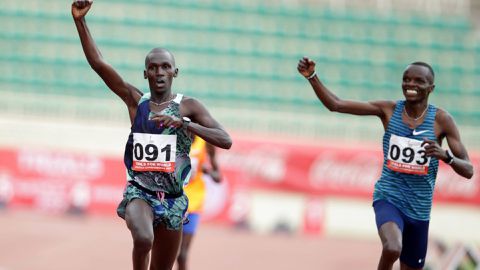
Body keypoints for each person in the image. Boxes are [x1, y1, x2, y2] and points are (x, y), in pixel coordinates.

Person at [71, 1, 232, 270]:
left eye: (165, 67)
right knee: (144, 238)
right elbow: (99, 64)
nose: (159, 72)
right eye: (154, 67)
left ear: (174, 72)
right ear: (145, 73)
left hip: (173, 199)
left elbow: (225, 139)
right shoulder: (136, 101)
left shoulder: (189, 106)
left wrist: (185, 124)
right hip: (140, 192)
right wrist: (80, 21)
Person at [297, 57, 473, 270]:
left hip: (419, 210)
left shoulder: (442, 120)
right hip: (389, 197)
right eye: (406, 79)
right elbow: (337, 104)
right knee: (392, 247)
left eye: (418, 81)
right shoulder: (389, 110)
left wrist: (446, 156)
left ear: (431, 88)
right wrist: (312, 77)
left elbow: (468, 170)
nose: (411, 85)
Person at [176, 136, 222, 270]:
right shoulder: (174, 138)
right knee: (166, 251)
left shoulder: (205, 143)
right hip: (173, 199)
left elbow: (218, 176)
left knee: (182, 255)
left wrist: (207, 170)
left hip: (194, 201)